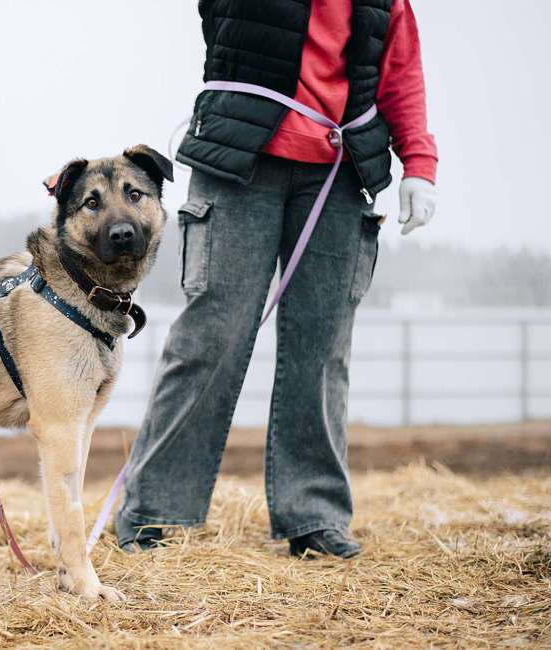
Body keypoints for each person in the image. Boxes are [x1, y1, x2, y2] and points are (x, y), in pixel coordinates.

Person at [116, 0, 438, 558]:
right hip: (239, 159)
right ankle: (154, 513)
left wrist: (419, 164)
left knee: (322, 346)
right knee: (211, 336)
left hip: (341, 173)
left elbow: (400, 71)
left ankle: (313, 517)